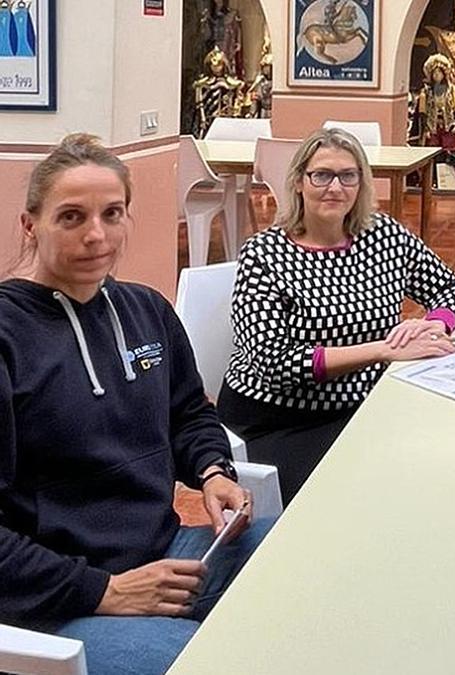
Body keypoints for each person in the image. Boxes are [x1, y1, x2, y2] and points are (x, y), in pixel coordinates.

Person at [0, 134, 269, 674]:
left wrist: (213, 471)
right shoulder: (9, 337)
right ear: (32, 225)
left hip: (169, 551)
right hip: (53, 598)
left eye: (112, 213)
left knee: (302, 569)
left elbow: (190, 413)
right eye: (71, 217)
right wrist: (106, 591)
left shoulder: (145, 310)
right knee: (218, 661)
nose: (96, 235)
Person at [219, 128, 455, 504]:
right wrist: (383, 351)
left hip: (365, 406)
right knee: (350, 500)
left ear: (361, 184)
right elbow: (275, 363)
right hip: (281, 417)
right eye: (321, 175)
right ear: (299, 182)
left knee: (435, 475)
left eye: (348, 175)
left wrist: (435, 323)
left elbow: (452, 289)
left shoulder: (384, 236)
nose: (335, 187)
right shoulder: (265, 254)